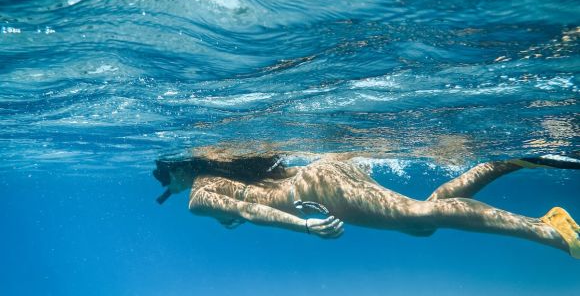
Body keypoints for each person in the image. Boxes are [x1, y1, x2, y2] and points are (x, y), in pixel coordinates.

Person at [153, 151, 580, 259]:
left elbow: (249, 211)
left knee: (419, 215)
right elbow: (245, 207)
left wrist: (302, 226)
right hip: (325, 172)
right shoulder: (230, 172)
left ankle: (548, 231)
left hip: (318, 189)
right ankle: (503, 163)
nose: (165, 186)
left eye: (162, 177)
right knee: (420, 221)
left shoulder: (196, 196)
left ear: (178, 170)